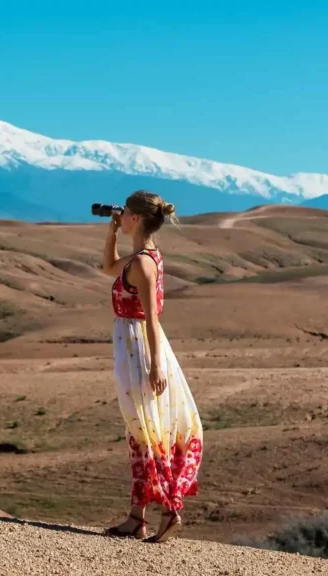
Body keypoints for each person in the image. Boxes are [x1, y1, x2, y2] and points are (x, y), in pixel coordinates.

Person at [101, 190, 203, 544]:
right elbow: (108, 268)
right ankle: (136, 516)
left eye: (126, 212)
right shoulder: (143, 256)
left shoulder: (143, 263)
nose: (122, 214)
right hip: (131, 347)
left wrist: (156, 365)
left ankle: (169, 511)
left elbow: (151, 318)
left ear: (138, 219)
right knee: (139, 431)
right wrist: (112, 231)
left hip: (140, 350)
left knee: (147, 431)